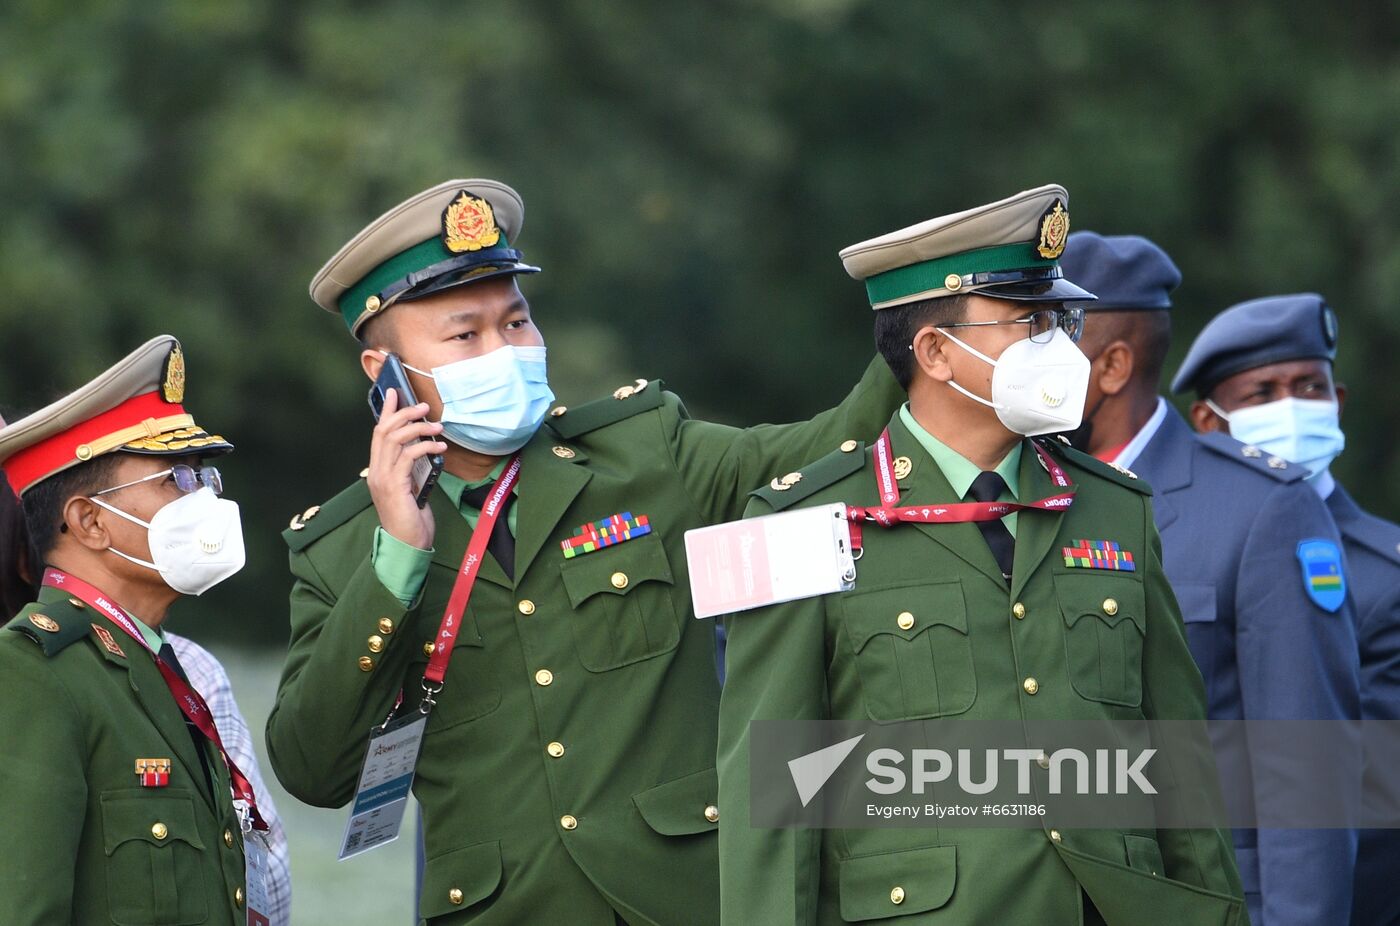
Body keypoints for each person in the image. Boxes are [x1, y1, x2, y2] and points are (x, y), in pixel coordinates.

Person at [265, 178, 904, 924]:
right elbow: (312, 768)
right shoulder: (342, 549)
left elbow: (830, 455)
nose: (503, 351)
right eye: (465, 335)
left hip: (687, 900)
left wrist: (915, 333)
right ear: (388, 375)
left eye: (517, 323)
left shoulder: (642, 454)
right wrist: (396, 564)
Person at [717, 186, 1246, 924]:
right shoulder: (798, 518)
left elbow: (1180, 764)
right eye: (1027, 321)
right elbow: (771, 800)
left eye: (1059, 318)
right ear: (936, 351)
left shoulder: (1117, 508)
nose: (1058, 344)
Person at [1060, 234, 1360, 926]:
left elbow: (1306, 770)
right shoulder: (1036, 499)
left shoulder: (1260, 507)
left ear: (1110, 366)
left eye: (1046, 341)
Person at [0, 336, 266, 925]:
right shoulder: (30, 672)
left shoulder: (155, 664)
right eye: (175, 479)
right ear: (90, 522)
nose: (204, 498)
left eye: (204, 476)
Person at [1173, 293, 1400, 926]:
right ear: (1209, 424)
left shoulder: (1387, 575)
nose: (1292, 410)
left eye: (1309, 387)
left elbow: (1371, 805)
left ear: (1338, 403)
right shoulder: (1179, 549)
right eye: (1262, 394)